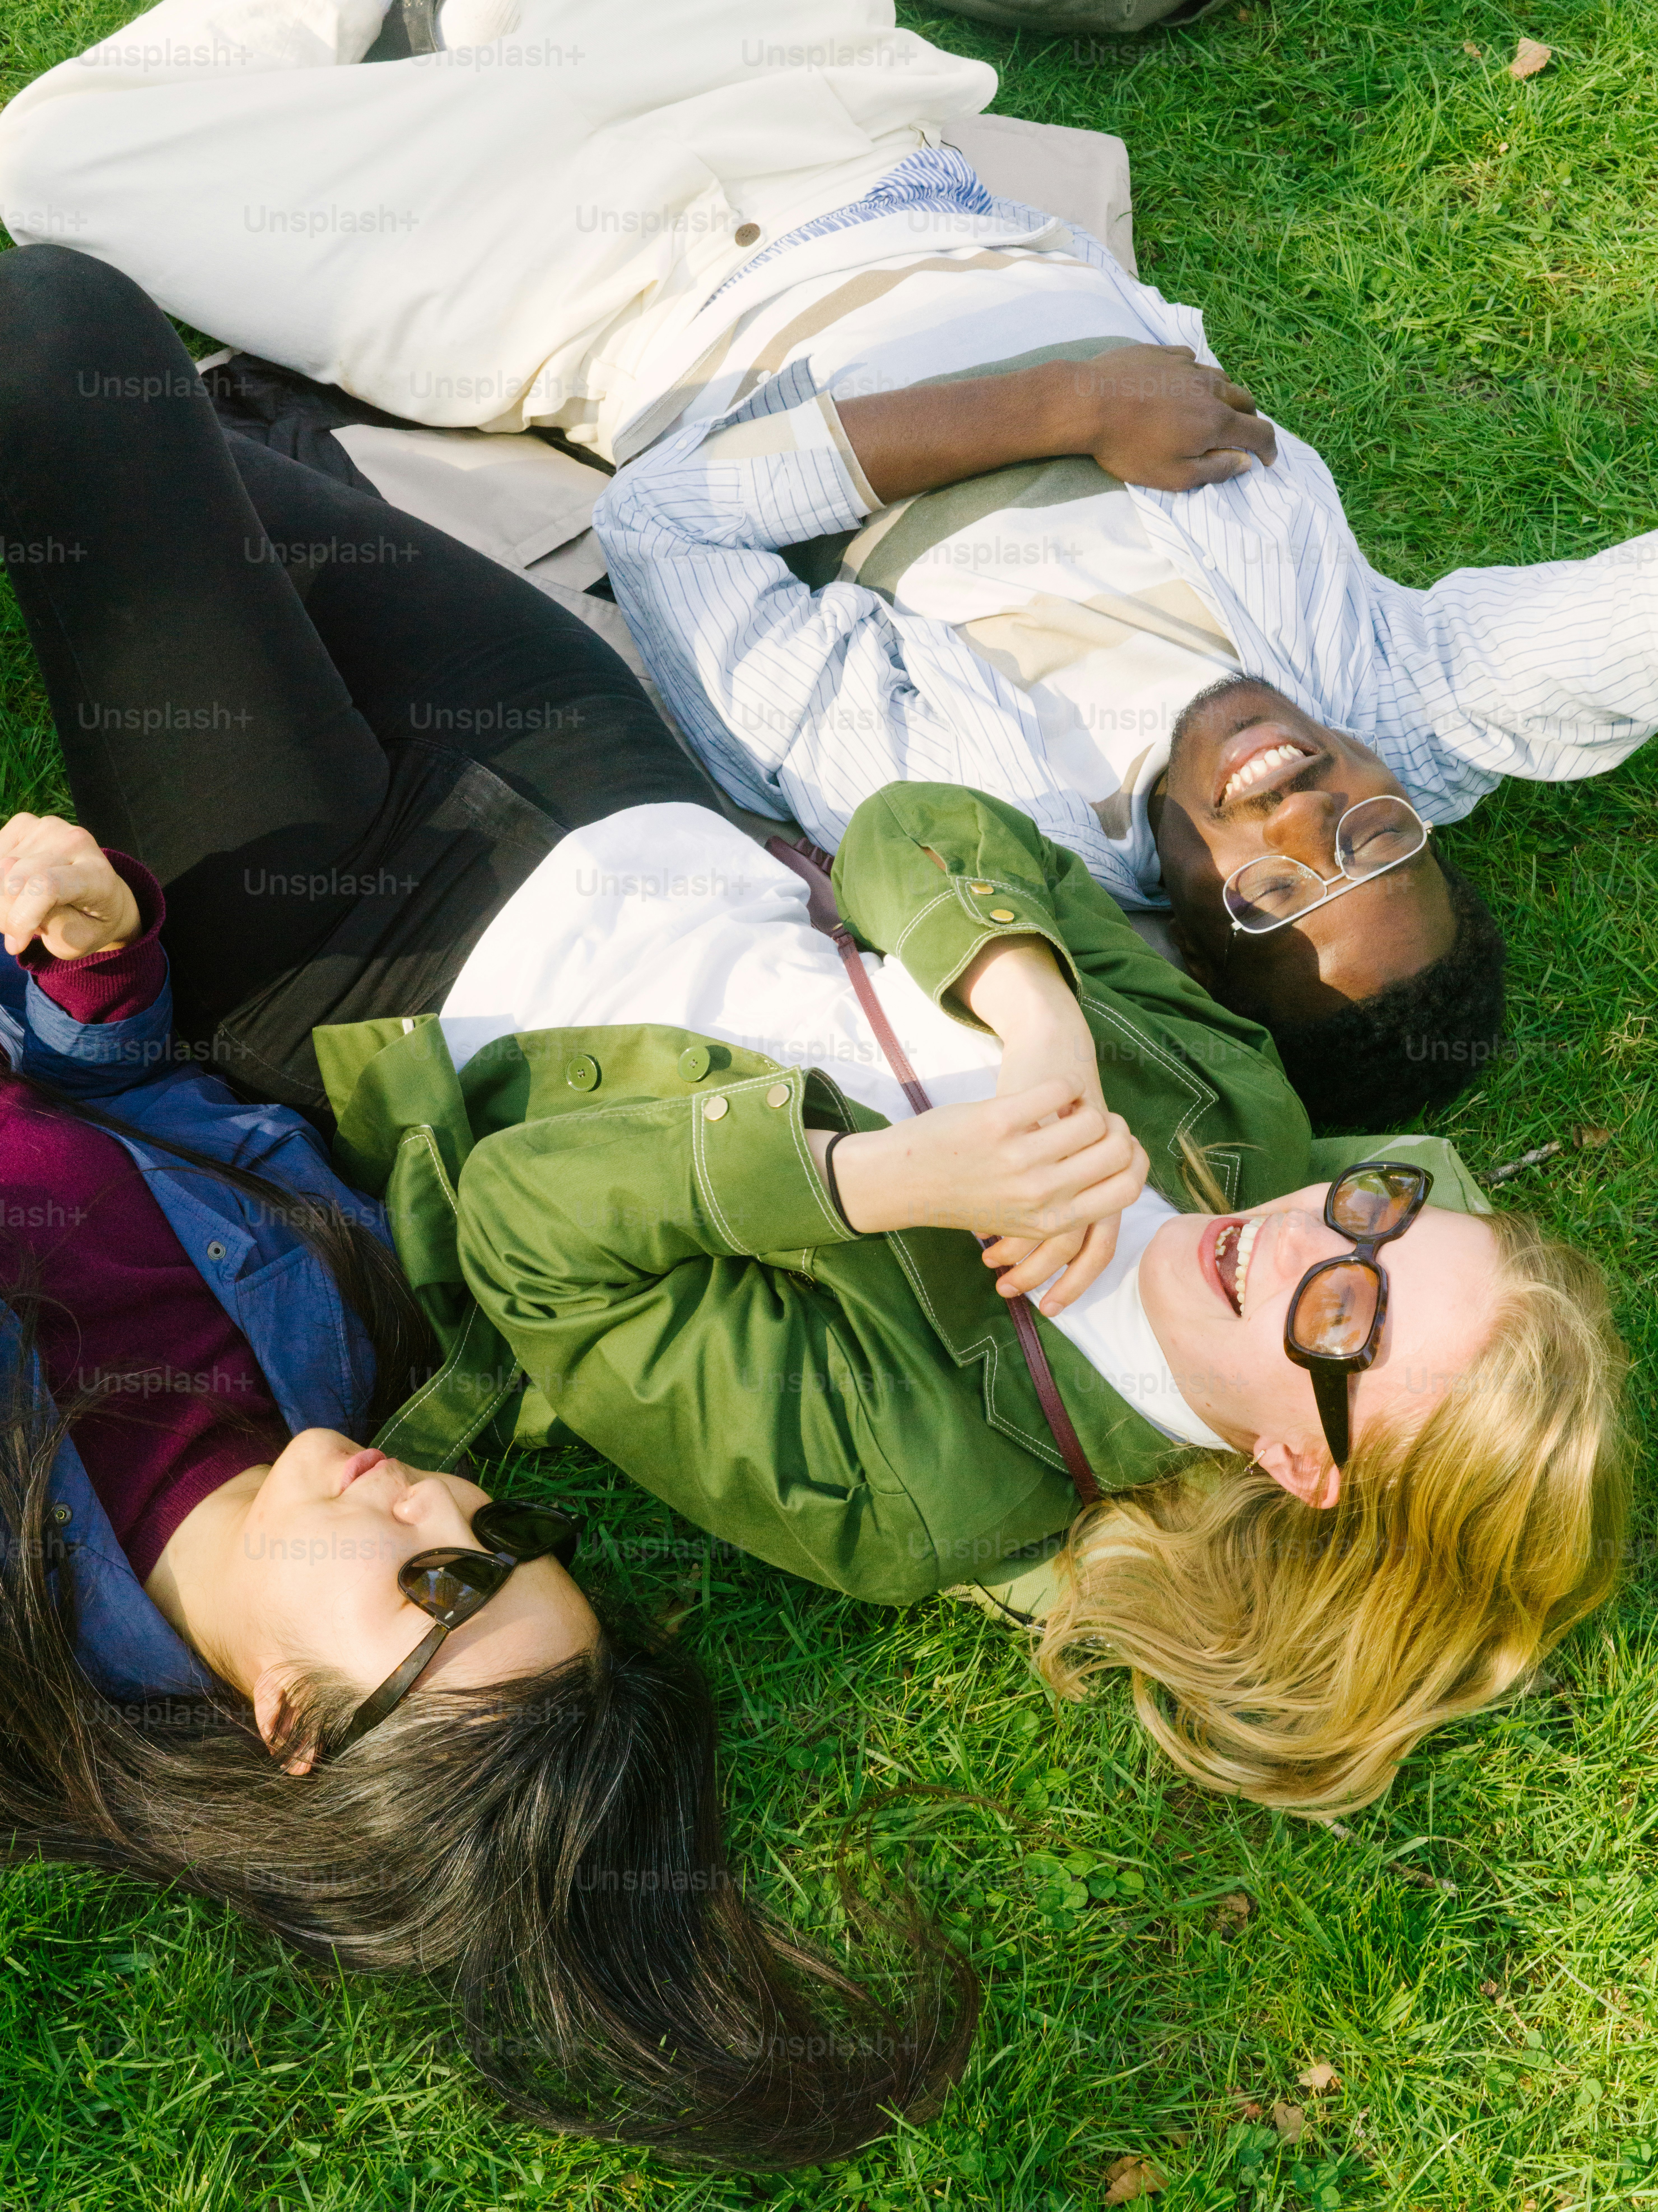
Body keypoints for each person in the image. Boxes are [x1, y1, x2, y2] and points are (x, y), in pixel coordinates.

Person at [0, 250, 975, 2170]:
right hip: (527, 838)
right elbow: (135, 1107)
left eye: (439, 1584)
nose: (446, 1501)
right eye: (503, 1537)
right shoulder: (330, 1339)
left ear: (292, 1724)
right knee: (79, 361)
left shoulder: (30, 1582)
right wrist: (92, 978)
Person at [3, 0, 1654, 1124]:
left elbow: (667, 525)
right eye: (1373, 835)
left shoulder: (963, 796)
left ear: (1182, 931)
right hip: (857, 130)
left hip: (598, 276)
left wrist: (1061, 405)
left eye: (1274, 890)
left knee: (56, 164)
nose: (1300, 808)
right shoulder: (1404, 699)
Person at [310, 783, 1629, 1816]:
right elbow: (915, 824)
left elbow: (519, 1230)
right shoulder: (1237, 1115)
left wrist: (870, 1182)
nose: (1302, 1236)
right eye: (1374, 1213)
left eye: (1341, 1319)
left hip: (415, 963)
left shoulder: (912, 1488)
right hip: (637, 806)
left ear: (1300, 1465)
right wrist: (1040, 1017)